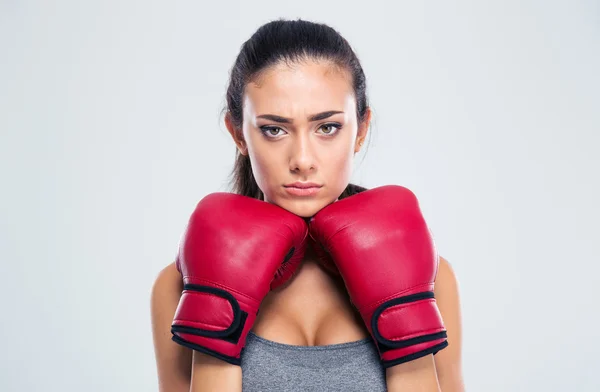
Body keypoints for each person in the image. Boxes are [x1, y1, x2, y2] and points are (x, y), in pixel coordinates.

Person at [151, 18, 464, 392]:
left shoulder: (430, 277)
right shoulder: (178, 286)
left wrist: (407, 337)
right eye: (274, 129)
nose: (302, 159)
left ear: (361, 130)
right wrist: (215, 333)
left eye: (327, 127)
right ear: (238, 134)